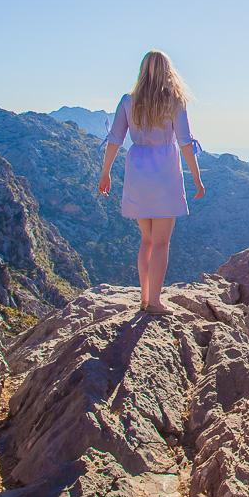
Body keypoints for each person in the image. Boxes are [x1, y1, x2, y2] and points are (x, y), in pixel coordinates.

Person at [97, 50, 205, 315]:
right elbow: (185, 143)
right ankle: (155, 302)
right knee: (161, 242)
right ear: (169, 71)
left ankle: (145, 298)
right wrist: (197, 178)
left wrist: (105, 172)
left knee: (146, 240)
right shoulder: (175, 101)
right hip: (165, 173)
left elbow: (115, 139)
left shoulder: (128, 101)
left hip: (137, 172)